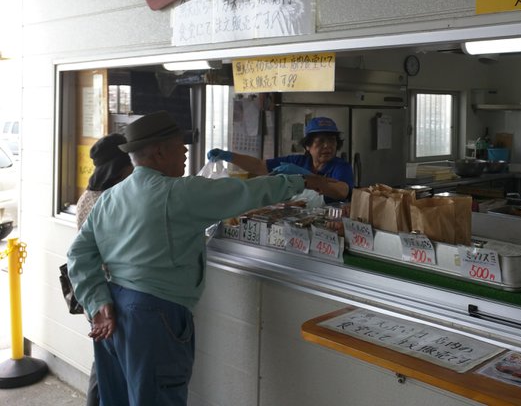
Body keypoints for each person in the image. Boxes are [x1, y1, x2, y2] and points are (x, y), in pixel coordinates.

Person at [67, 111, 328, 406]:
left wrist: (96, 298)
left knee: (114, 399)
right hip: (155, 316)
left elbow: (79, 252)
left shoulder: (111, 196)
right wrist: (298, 182)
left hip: (113, 309)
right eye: (181, 145)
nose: (186, 151)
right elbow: (244, 192)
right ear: (159, 151)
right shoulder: (178, 192)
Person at [74, 133, 134, 406]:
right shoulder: (114, 198)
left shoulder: (88, 195)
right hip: (110, 294)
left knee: (104, 364)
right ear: (121, 166)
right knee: (111, 370)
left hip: (93, 291)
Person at [208, 116, 353, 203]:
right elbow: (259, 166)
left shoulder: (341, 167)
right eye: (321, 141)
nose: (327, 146)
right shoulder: (297, 161)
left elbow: (342, 191)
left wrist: (308, 177)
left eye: (332, 141)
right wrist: (229, 156)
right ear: (308, 146)